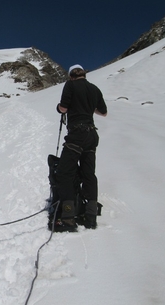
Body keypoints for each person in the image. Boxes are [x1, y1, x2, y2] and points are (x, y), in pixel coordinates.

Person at [53, 64, 107, 232]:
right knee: (88, 173)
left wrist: (59, 108)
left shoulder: (70, 85)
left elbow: (63, 107)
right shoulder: (94, 89)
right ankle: (90, 216)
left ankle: (68, 217)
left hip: (76, 133)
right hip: (91, 135)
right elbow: (103, 112)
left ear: (71, 76)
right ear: (84, 74)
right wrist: (89, 108)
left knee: (65, 172)